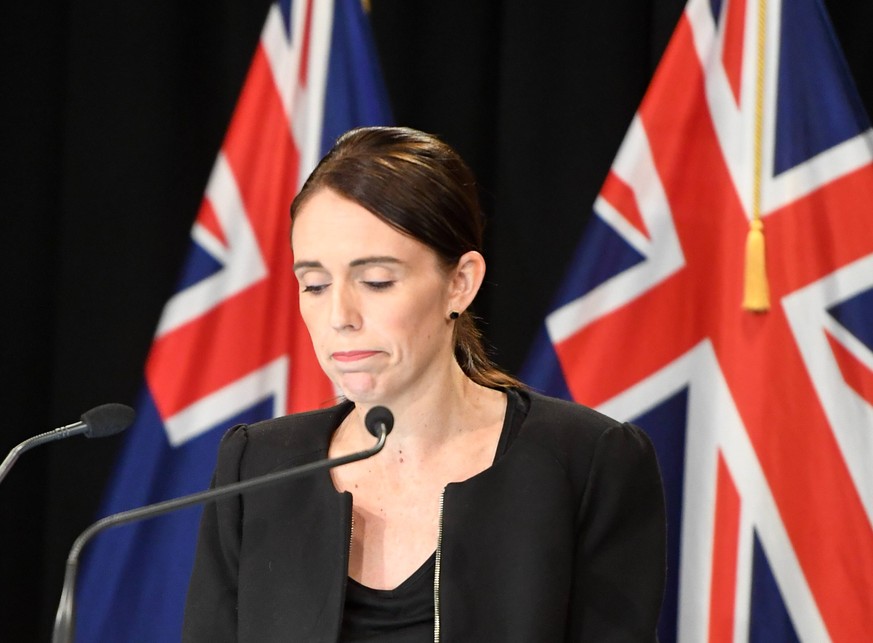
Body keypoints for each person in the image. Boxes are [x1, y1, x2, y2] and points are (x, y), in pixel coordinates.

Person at [183, 126, 666, 642]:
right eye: (315, 285)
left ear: (460, 282)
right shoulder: (258, 467)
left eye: (376, 281)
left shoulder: (588, 462)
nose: (339, 316)